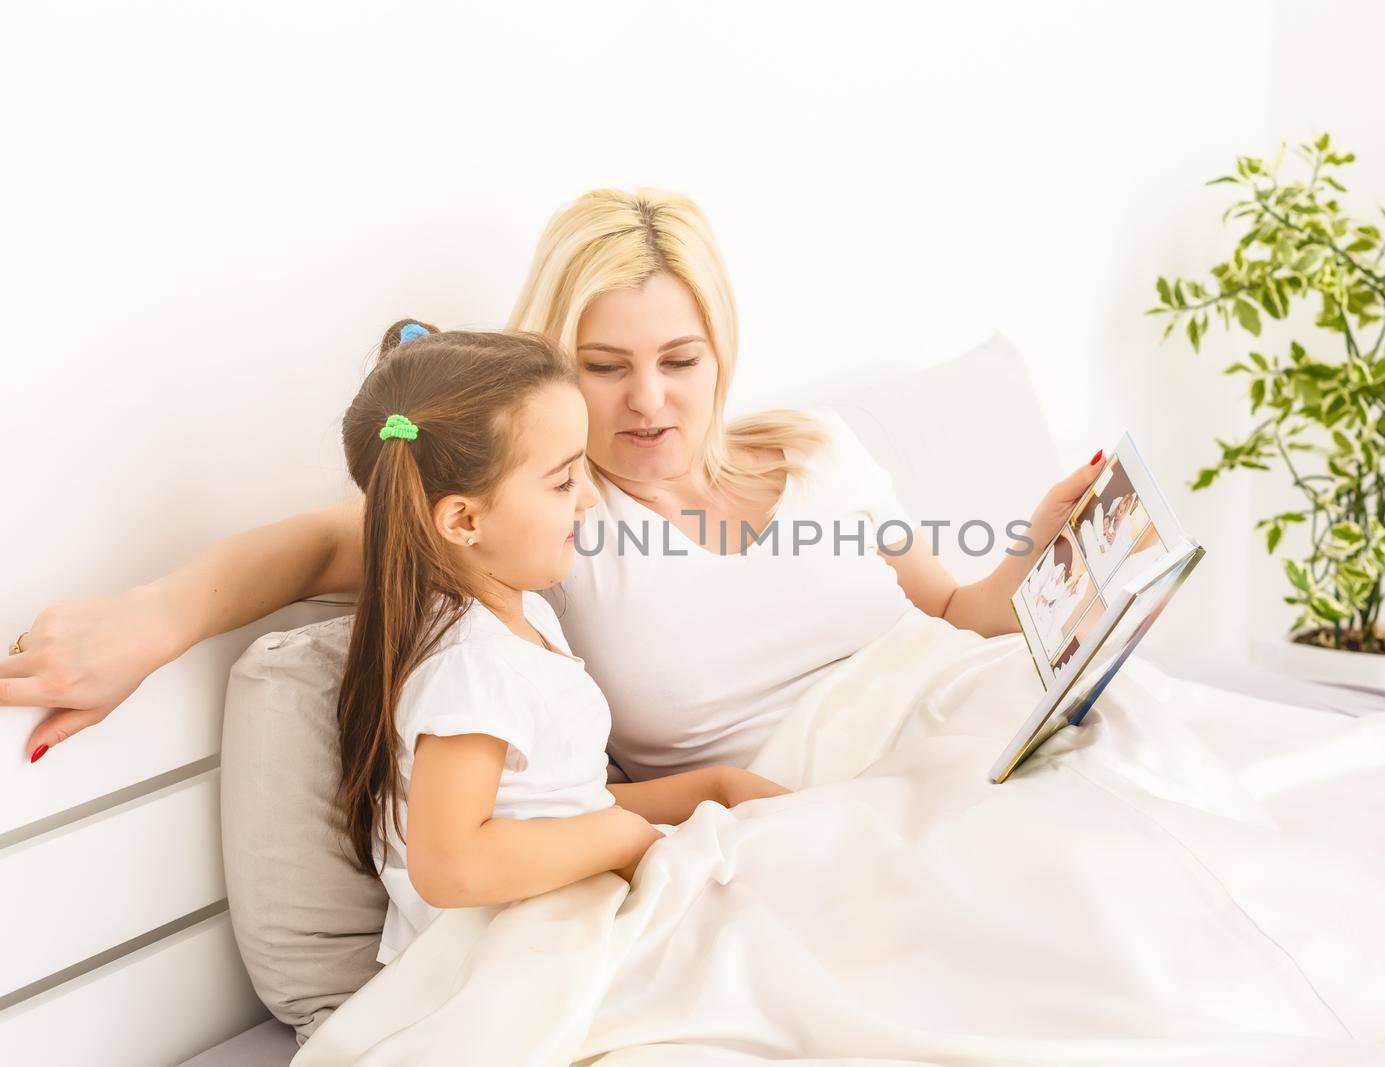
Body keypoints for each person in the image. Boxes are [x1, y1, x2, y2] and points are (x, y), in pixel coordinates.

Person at [5, 188, 1104, 772]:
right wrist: (153, 618)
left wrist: (1045, 546)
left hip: (973, 723)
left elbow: (958, 615)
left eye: (680, 362)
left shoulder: (817, 444)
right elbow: (325, 539)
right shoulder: (553, 510)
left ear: (722, 347)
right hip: (823, 804)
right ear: (553, 364)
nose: (651, 403)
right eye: (606, 367)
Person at [333, 320, 785, 963]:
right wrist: (624, 839)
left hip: (565, 909)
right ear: (464, 519)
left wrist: (708, 787)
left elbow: (552, 801)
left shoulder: (525, 621)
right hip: (520, 951)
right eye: (563, 481)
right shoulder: (473, 666)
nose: (590, 499)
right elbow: (451, 865)